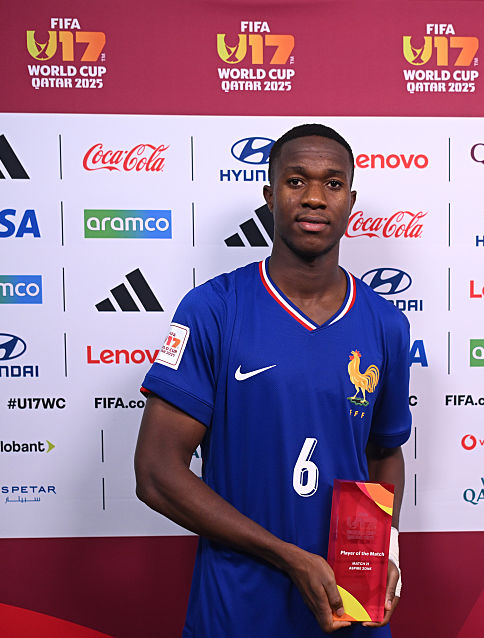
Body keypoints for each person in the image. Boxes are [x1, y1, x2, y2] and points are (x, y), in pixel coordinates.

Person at [134, 123, 411, 637]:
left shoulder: (385, 323)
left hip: (348, 608)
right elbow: (155, 474)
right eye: (295, 181)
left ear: (350, 201)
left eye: (332, 184)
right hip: (241, 607)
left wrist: (381, 551)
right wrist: (289, 558)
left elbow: (383, 453)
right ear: (269, 196)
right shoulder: (214, 309)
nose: (313, 197)